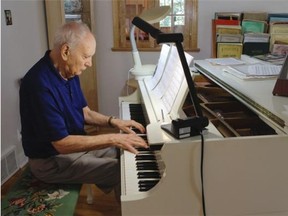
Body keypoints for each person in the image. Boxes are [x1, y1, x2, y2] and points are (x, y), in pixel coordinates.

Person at [19, 21, 147, 201]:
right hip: (50, 161)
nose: (90, 63)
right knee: (123, 172)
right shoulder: (39, 85)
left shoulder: (68, 70)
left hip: (72, 150)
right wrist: (113, 138)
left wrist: (113, 122)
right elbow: (61, 144)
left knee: (127, 154)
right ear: (65, 51)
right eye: (86, 56)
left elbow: (84, 112)